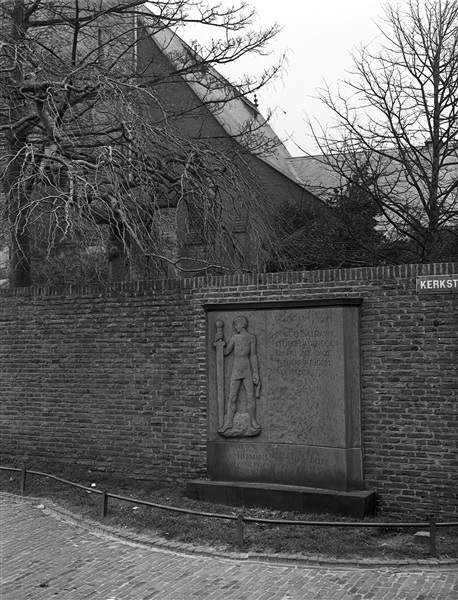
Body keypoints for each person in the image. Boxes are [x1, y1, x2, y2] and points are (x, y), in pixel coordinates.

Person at [218, 316, 261, 434]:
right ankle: (228, 422)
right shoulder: (234, 338)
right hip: (236, 369)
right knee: (233, 397)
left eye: (236, 325)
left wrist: (256, 372)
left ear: (242, 324)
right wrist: (219, 345)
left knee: (250, 396)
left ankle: (252, 420)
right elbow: (226, 352)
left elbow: (253, 355)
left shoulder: (251, 338)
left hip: (247, 369)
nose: (235, 327)